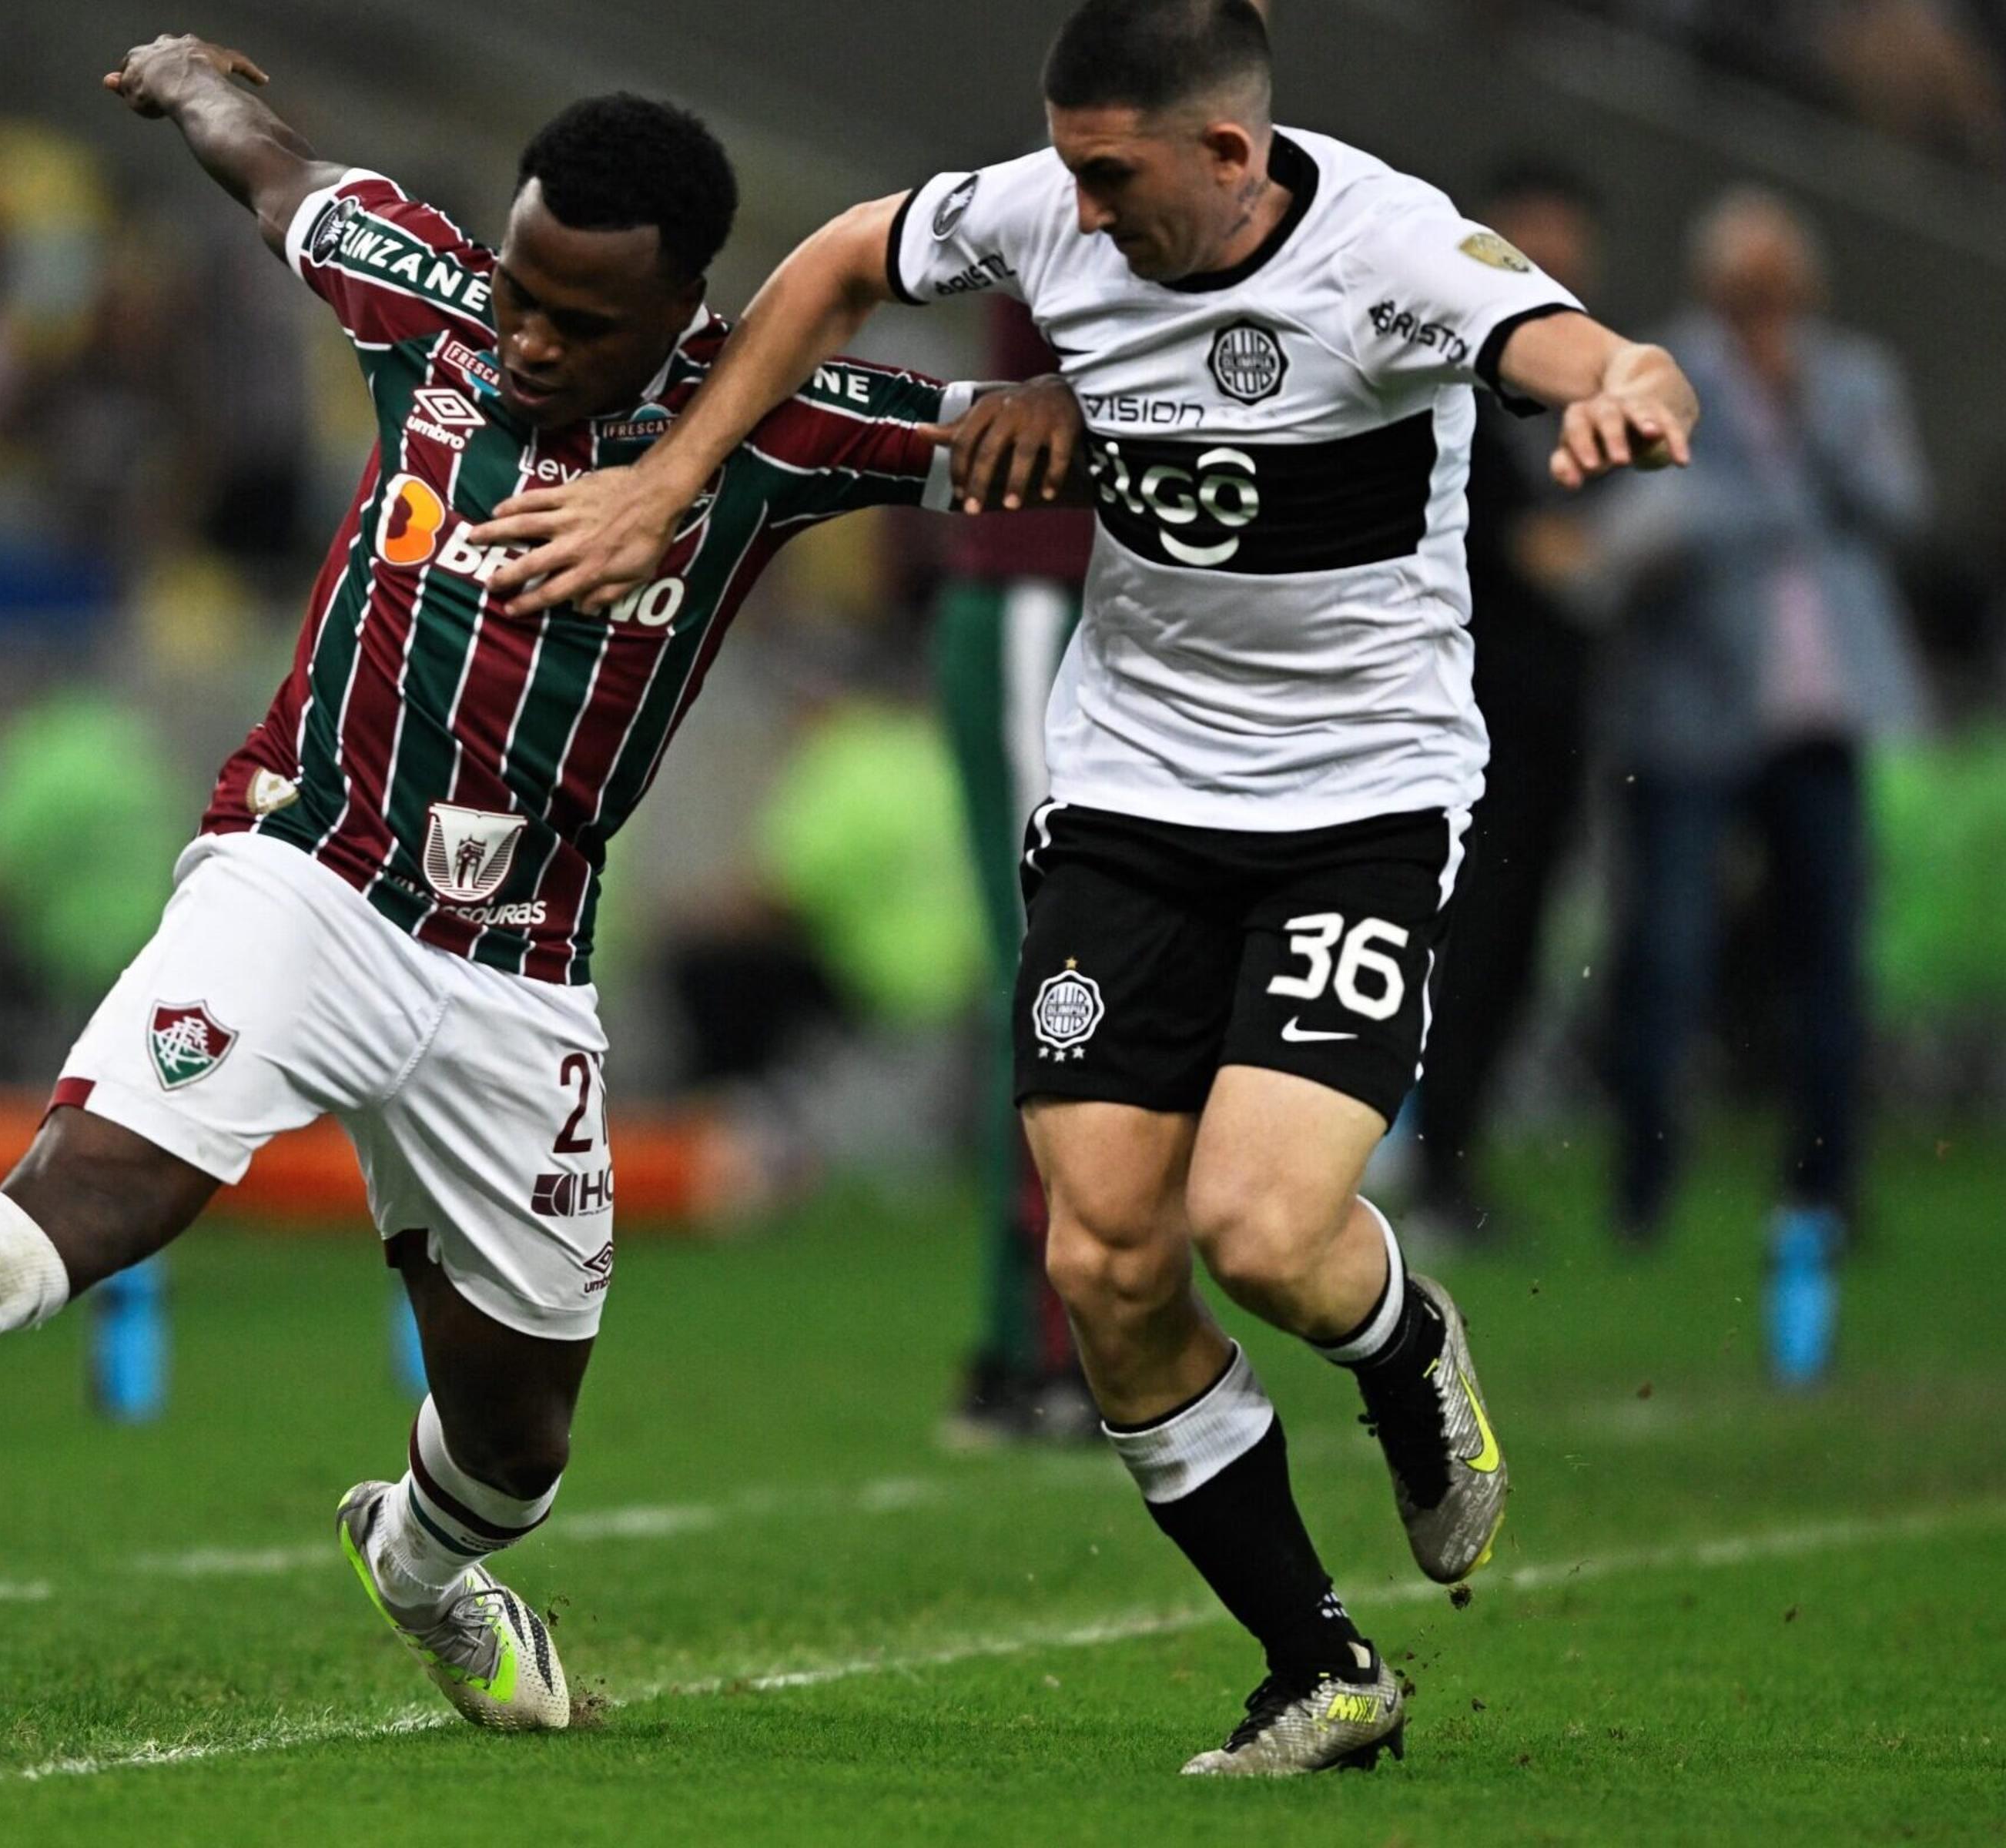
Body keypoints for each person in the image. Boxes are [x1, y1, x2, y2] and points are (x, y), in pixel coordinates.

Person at [0, 35, 1083, 1735]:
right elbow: (279, 175)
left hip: (520, 976)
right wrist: (196, 85)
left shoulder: (772, 429)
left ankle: (424, 1568)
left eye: (583, 321)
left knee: (519, 1445)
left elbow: (1026, 440)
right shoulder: (427, 311)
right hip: (306, 877)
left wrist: (1037, 419)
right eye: (519, 291)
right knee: (90, 1198)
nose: (530, 337)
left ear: (687, 318)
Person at [469, 0, 1697, 1774]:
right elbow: (832, 258)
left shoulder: (1392, 253)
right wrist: (673, 478)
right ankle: (1321, 1672)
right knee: (1107, 1260)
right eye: (1064, 166)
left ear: (1229, 151)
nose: (1074, 215)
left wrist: (1634, 392)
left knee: (1264, 1234)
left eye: (1110, 176)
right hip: (1132, 799)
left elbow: (1582, 349)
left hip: (1358, 803)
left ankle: (1406, 1343)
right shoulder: (1051, 209)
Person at [1597, 187, 1928, 1258]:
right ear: (1712, 290)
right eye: (1748, 292)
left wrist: (1798, 423)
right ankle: (1645, 1187)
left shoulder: (1852, 379)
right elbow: (1637, 534)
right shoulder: (1660, 367)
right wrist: (1758, 506)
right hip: (1692, 713)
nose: (1765, 311)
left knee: (1829, 957)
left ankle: (1826, 1190)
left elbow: (1898, 505)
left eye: (1782, 291)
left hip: (1821, 708)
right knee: (1670, 955)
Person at [1405, 162, 1613, 1247]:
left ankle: (1454, 1163)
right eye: (1538, 244)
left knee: (1515, 947)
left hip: (1548, 724)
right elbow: (1539, 554)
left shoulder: (1579, 387)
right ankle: (1432, 1167)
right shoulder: (1453, 384)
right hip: (1460, 721)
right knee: (1467, 948)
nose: (1561, 265)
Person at [932, 298, 1095, 1440]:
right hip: (1049, 587)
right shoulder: (1084, 201)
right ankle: (1039, 1341)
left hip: (1130, 596)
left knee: (1104, 972)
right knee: (1060, 973)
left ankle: (1059, 1332)